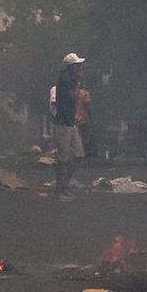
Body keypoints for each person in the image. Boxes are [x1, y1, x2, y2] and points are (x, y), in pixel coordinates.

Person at [49, 54, 85, 197]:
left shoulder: (69, 80)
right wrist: (78, 86)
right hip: (63, 123)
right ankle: (59, 190)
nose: (79, 68)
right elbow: (73, 97)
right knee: (63, 158)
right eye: (77, 65)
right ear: (71, 67)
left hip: (70, 122)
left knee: (79, 155)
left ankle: (63, 186)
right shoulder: (65, 81)